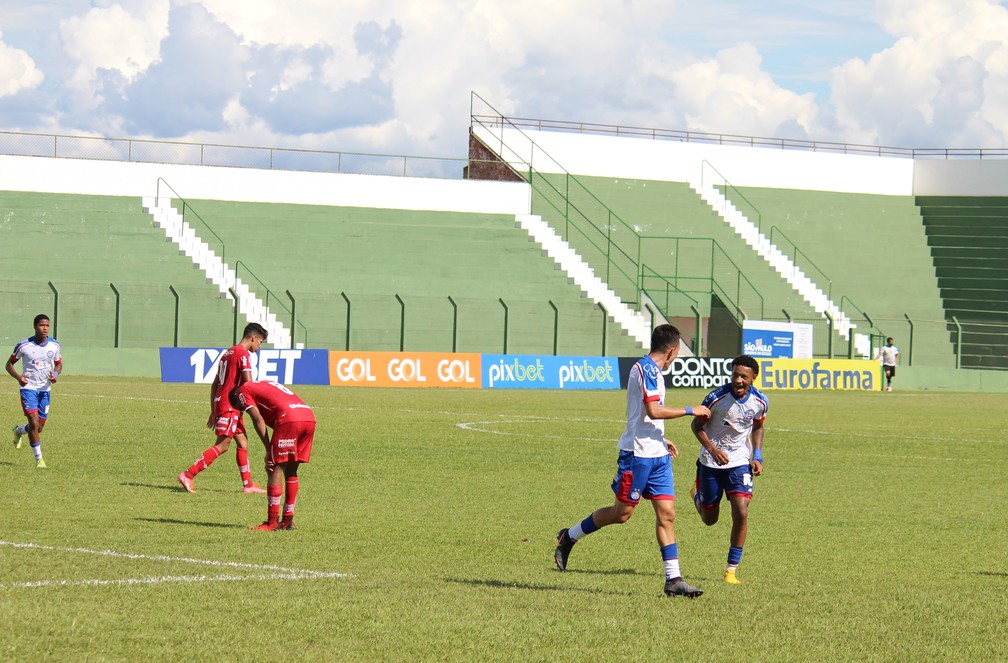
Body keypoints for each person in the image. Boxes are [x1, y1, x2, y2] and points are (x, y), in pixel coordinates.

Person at [554, 324, 710, 598]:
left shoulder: (656, 372)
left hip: (658, 455)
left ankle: (673, 579)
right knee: (621, 514)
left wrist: (662, 439)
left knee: (667, 515)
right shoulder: (646, 370)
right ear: (672, 350)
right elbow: (652, 410)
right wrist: (690, 410)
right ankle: (569, 537)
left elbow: (647, 416)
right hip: (637, 455)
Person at [689, 354, 768, 585]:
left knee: (741, 511)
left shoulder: (761, 401)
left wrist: (757, 455)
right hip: (711, 462)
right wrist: (713, 450)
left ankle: (731, 571)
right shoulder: (716, 398)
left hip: (739, 462)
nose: (738, 380)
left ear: (753, 378)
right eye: (735, 375)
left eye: (744, 376)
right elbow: (696, 425)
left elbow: (758, 425)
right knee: (709, 519)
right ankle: (696, 494)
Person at [178, 322, 269, 494]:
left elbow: (214, 384)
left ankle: (248, 484)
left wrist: (213, 410)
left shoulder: (228, 353)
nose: (259, 346)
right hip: (230, 406)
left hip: (224, 403)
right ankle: (188, 474)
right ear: (253, 338)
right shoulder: (243, 354)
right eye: (260, 342)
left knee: (243, 441)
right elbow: (248, 384)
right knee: (223, 445)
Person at [229, 380, 316, 531]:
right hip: (308, 416)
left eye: (241, 407)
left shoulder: (242, 390)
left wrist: (268, 448)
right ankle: (287, 520)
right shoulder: (263, 383)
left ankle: (272, 522)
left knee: (274, 466)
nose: (244, 410)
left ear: (237, 397)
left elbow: (257, 419)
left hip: (289, 417)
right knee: (291, 469)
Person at [7, 314, 62, 469]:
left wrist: (55, 374)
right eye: (41, 325)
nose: (44, 328)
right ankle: (39, 460)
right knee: (33, 421)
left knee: (38, 428)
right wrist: (19, 377)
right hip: (28, 388)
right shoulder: (24, 346)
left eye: (47, 325)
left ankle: (18, 430)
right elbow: (9, 364)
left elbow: (58, 364)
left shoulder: (55, 345)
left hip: (45, 389)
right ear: (35, 326)